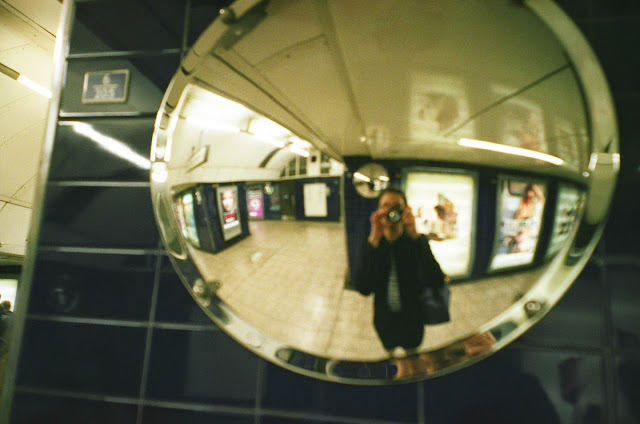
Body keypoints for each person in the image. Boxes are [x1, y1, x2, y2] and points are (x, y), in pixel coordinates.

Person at [353, 188, 447, 356]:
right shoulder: (373, 245)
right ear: (378, 212)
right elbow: (363, 288)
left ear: (405, 211)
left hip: (413, 320)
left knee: (412, 356)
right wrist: (374, 238)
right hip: (384, 320)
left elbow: (436, 281)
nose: (391, 211)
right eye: (385, 206)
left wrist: (416, 235)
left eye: (396, 206)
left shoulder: (415, 242)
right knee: (391, 357)